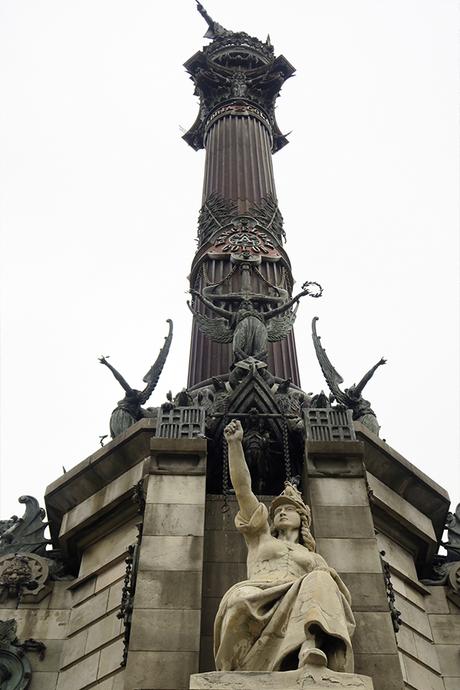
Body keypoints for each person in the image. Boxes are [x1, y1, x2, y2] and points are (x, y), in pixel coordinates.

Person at [214, 420, 355, 673]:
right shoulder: (260, 537)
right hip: (260, 591)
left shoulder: (312, 558)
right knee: (239, 600)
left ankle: (309, 647)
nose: (281, 513)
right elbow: (243, 492)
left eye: (289, 509)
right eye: (277, 510)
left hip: (301, 596)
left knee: (322, 578)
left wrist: (323, 576)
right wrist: (235, 445)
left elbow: (339, 594)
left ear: (303, 518)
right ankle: (235, 668)